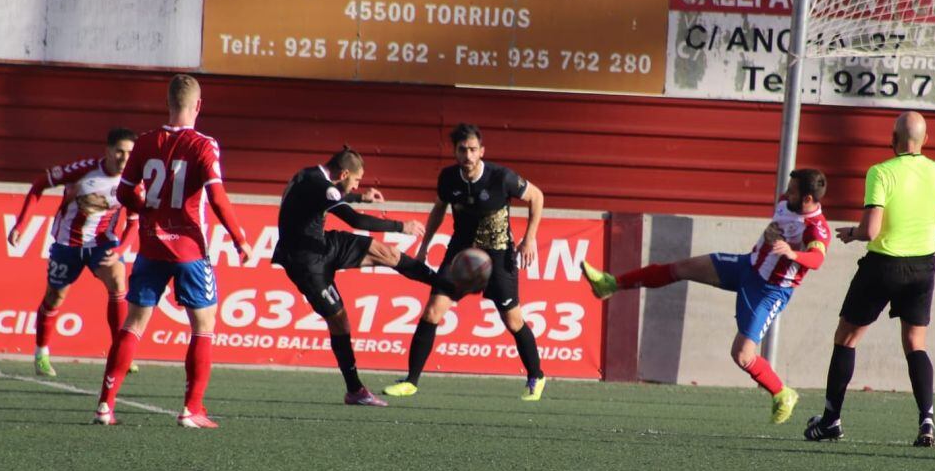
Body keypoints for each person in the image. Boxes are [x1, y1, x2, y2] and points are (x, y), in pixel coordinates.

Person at [582, 168, 831, 425]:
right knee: (681, 268)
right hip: (746, 266)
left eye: (792, 190)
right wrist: (771, 237)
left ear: (808, 200)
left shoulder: (816, 228)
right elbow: (777, 226)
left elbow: (817, 257)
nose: (785, 193)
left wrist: (793, 254)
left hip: (769, 291)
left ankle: (782, 393)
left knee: (743, 355)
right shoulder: (785, 202)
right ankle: (611, 284)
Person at [93, 74, 252, 428]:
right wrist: (239, 237)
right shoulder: (204, 145)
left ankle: (105, 405)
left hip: (151, 245)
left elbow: (124, 194)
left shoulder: (146, 142)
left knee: (133, 325)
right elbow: (217, 195)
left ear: (167, 103)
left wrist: (147, 208)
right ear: (198, 105)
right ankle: (191, 409)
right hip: (189, 249)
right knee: (204, 325)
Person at [804, 111, 935, 448]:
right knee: (915, 343)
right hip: (922, 267)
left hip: (883, 266)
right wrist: (931, 246)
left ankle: (831, 420)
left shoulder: (881, 172)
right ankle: (927, 420)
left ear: (892, 140)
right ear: (926, 139)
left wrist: (852, 232)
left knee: (847, 338)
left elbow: (871, 231)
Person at [272, 147, 469, 406]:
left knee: (384, 252)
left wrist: (358, 197)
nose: (356, 184)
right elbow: (356, 222)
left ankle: (444, 285)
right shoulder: (322, 186)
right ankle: (354, 390)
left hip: (321, 242)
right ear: (343, 173)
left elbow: (329, 198)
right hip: (305, 262)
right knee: (340, 323)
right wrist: (401, 226)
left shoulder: (309, 176)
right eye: (355, 180)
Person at [383, 123, 548, 401]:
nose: (468, 155)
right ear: (455, 152)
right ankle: (411, 381)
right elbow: (439, 209)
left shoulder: (501, 177)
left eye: (473, 149)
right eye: (463, 150)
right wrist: (423, 247)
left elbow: (537, 196)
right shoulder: (448, 178)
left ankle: (536, 376)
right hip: (461, 253)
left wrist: (529, 238)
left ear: (481, 151)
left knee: (512, 320)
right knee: (432, 311)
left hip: (497, 253)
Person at [8, 128, 139, 377]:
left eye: (130, 153)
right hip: (68, 244)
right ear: (108, 151)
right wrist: (21, 224)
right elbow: (39, 185)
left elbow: (134, 221)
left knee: (119, 281)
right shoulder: (83, 170)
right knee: (55, 297)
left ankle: (120, 351)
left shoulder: (133, 181)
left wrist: (121, 248)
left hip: (102, 244)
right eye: (119, 151)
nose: (124, 158)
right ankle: (41, 353)